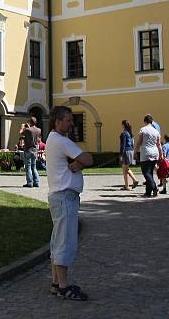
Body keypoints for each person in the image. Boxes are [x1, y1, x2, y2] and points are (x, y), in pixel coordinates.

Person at [45, 106, 94, 301]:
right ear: (58, 121)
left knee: (58, 240)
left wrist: (77, 163)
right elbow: (88, 158)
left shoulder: (52, 139)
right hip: (65, 196)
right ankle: (64, 287)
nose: (71, 123)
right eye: (68, 120)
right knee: (65, 241)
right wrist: (80, 162)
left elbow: (80, 161)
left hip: (58, 195)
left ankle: (56, 283)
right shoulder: (62, 141)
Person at [134, 114, 162, 197]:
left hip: (146, 153)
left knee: (146, 172)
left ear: (145, 121)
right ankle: (148, 192)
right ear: (152, 122)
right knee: (150, 173)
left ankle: (154, 187)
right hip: (155, 153)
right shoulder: (156, 131)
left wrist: (135, 152)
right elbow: (159, 144)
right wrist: (161, 154)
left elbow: (139, 142)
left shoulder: (143, 130)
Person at [119, 120, 139, 190]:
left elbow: (123, 145)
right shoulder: (131, 134)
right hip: (131, 151)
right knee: (126, 168)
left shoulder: (123, 133)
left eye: (121, 124)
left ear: (123, 125)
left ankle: (127, 186)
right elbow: (133, 144)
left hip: (126, 152)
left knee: (124, 170)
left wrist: (121, 155)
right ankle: (134, 180)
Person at [23, 116, 42, 188]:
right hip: (35, 150)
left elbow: (21, 133)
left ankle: (29, 182)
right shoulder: (39, 130)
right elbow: (38, 139)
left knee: (28, 167)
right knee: (34, 167)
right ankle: (36, 182)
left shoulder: (28, 130)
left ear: (30, 122)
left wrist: (24, 127)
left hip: (28, 149)